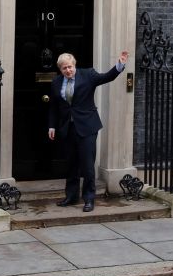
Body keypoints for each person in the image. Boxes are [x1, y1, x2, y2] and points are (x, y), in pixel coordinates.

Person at [48, 49, 129, 212]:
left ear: (74, 64)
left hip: (87, 127)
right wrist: (52, 126)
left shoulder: (88, 75)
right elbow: (54, 107)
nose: (68, 70)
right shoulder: (56, 82)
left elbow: (107, 77)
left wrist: (120, 65)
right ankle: (71, 196)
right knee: (71, 164)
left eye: (70, 67)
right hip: (67, 128)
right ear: (60, 69)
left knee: (87, 165)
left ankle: (89, 199)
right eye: (64, 68)